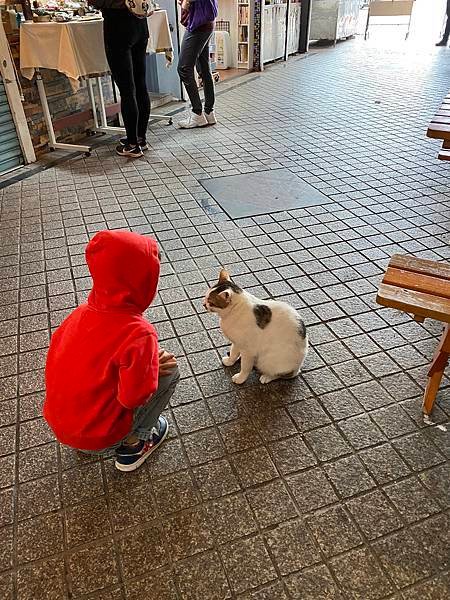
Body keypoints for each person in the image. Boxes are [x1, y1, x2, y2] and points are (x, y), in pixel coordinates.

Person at [43, 230, 179, 472]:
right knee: (170, 372)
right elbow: (133, 397)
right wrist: (152, 368)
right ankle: (133, 446)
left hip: (63, 427)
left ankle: (84, 442)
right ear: (144, 280)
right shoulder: (138, 333)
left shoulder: (79, 314)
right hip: (101, 438)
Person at [90, 0, 151, 158]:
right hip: (140, 23)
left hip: (118, 26)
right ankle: (140, 138)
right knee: (140, 84)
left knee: (127, 89)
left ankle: (132, 145)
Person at [177, 0, 218, 128]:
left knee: (183, 68)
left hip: (198, 24)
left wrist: (186, 3)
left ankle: (197, 114)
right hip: (207, 22)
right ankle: (209, 112)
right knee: (204, 68)